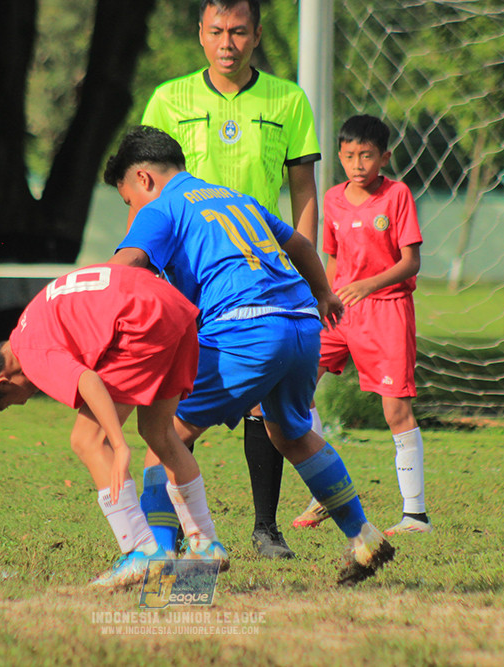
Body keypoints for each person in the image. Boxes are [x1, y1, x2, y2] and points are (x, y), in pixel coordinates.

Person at [104, 125, 394, 585]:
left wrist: (81, 308)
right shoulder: (232, 198)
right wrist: (323, 293)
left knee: (163, 435)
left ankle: (158, 554)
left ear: (142, 179)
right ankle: (364, 536)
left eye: (128, 202)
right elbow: (298, 243)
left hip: (246, 326)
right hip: (300, 323)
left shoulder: (160, 208)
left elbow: (126, 267)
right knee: (293, 435)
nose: (133, 213)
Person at [141, 0, 321, 558]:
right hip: (184, 271)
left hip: (252, 272)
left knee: (259, 397)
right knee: (172, 399)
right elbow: (145, 188)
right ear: (199, 34)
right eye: (217, 31)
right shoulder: (169, 98)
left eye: (239, 31)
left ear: (257, 35)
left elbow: (303, 192)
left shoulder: (288, 99)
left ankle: (265, 528)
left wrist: (299, 258)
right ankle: (171, 535)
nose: (228, 42)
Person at [0, 263, 228, 589]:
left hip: (143, 322)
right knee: (159, 433)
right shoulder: (32, 321)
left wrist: (118, 445)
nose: (21, 403)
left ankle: (141, 551)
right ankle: (205, 544)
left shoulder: (31, 351)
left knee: (86, 440)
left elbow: (88, 380)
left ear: (1, 383)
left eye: (7, 404)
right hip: (174, 310)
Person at [291, 115, 432, 536]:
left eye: (367, 155)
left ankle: (415, 515)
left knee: (395, 409)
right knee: (298, 387)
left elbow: (411, 261)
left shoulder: (397, 196)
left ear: (384, 157)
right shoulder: (332, 200)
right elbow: (332, 260)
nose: (358, 164)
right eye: (350, 156)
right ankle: (324, 491)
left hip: (386, 310)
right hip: (339, 311)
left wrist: (367, 284)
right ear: (339, 155)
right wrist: (324, 297)